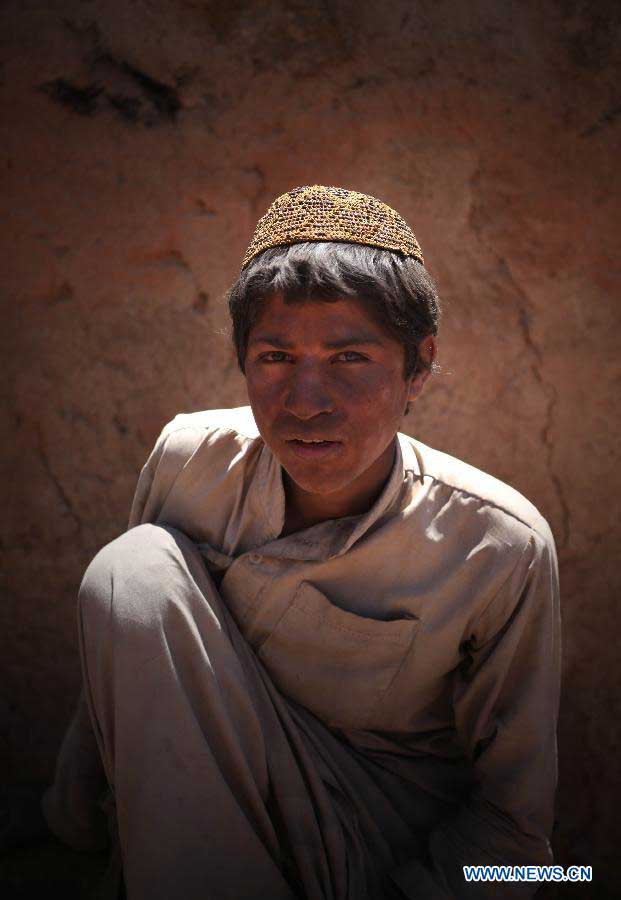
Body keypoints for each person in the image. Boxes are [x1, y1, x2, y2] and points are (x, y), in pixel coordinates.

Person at [39, 185, 561, 899]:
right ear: (242, 360)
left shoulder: (498, 545)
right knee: (134, 571)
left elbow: (520, 835)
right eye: (276, 357)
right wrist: (70, 835)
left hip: (362, 851)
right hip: (180, 813)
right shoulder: (188, 459)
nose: (306, 400)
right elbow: (125, 676)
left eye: (349, 359)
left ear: (419, 366)